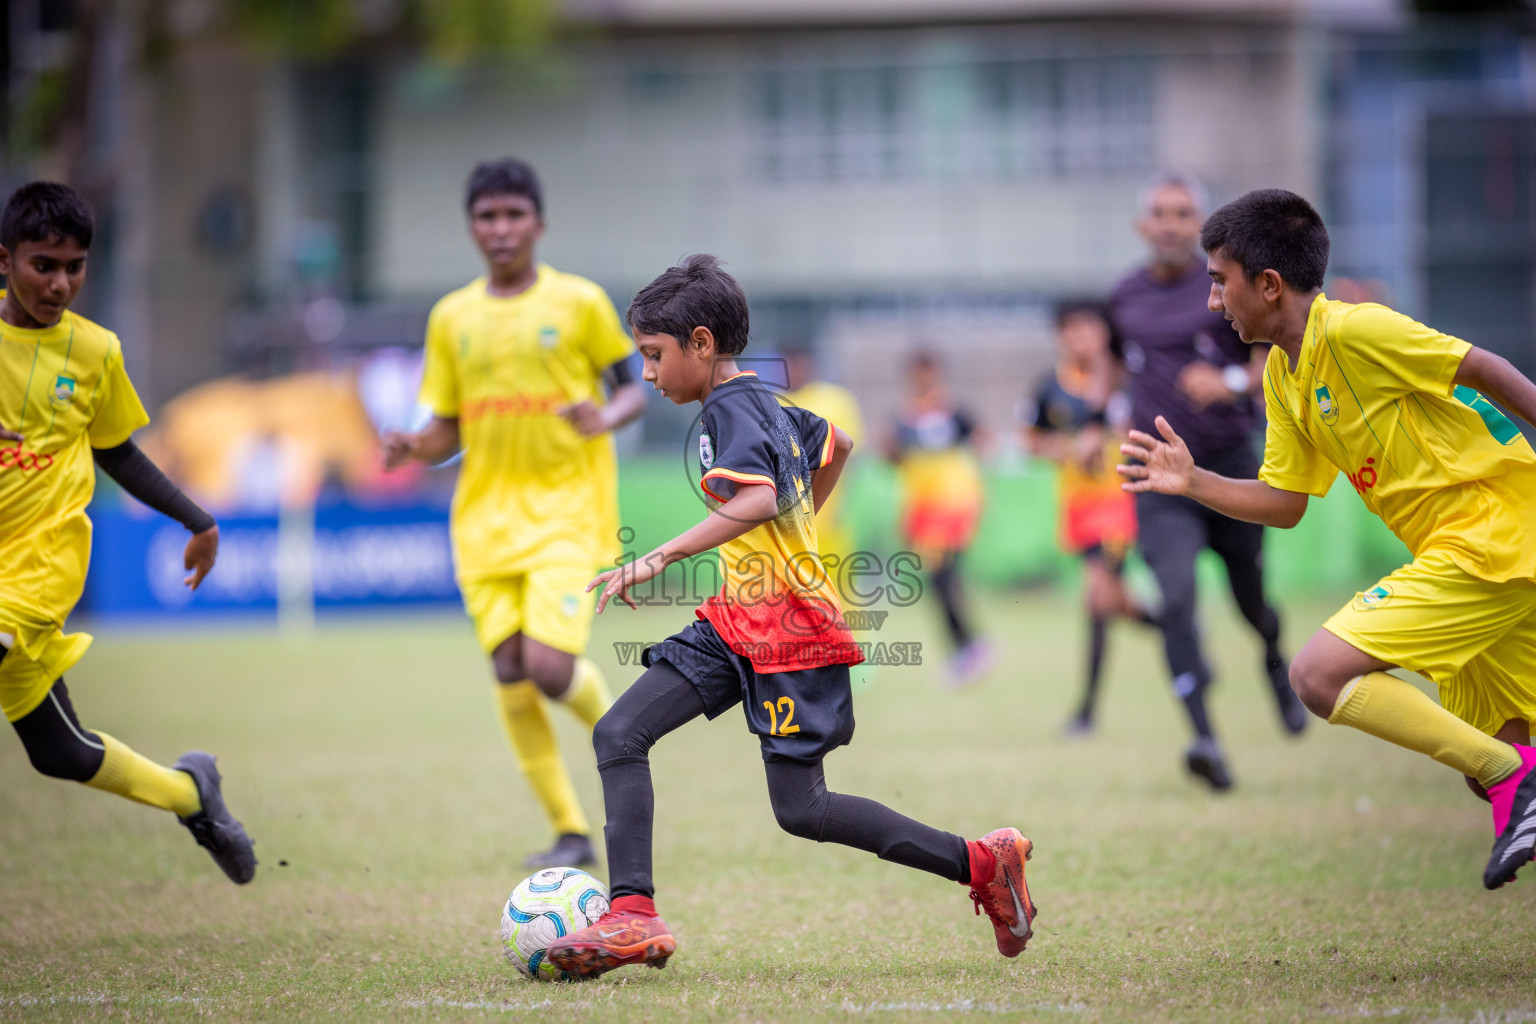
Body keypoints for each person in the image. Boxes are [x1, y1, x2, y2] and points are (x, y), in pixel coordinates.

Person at [544, 255, 1037, 979]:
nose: (648, 375)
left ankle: (981, 863)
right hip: (740, 618)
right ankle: (632, 915)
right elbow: (836, 446)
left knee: (802, 810)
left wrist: (654, 559)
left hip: (786, 628)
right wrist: (795, 536)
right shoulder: (769, 400)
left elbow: (759, 498)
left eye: (654, 355)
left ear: (702, 344)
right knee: (621, 731)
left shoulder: (723, 410)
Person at [1121, 188, 1536, 889]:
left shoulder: (1354, 330)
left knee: (1317, 675)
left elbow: (1483, 368)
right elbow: (1285, 503)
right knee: (1488, 758)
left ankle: (1518, 778)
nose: (1214, 301)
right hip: (1464, 552)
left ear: (1270, 284)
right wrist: (1193, 483)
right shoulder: (1284, 373)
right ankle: (1513, 774)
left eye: (1221, 282)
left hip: (1494, 535)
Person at [382, 158, 646, 869]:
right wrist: (414, 445)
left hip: (566, 511)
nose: (500, 230)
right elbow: (447, 428)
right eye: (487, 217)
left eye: (513, 215)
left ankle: (629, 734)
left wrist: (606, 415)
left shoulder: (580, 302)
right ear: (472, 227)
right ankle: (569, 830)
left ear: (539, 223)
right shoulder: (452, 318)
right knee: (509, 669)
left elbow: (633, 388)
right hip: (483, 521)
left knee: (550, 667)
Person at [0, 182, 255, 883]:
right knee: (60, 751)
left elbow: (116, 451)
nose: (59, 283)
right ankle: (191, 793)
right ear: (5, 260)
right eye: (42, 265)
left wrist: (196, 519)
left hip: (40, 564)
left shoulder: (95, 351)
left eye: (74, 266)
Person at [1110, 173, 1306, 791]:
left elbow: (1270, 348)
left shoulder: (1225, 286)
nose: (1170, 223)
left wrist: (1233, 384)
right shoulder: (1123, 297)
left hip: (1229, 467)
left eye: (1183, 212)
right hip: (1159, 477)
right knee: (1174, 599)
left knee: (1252, 603)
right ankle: (1204, 738)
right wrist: (1099, 421)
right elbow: (1118, 373)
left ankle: (1274, 661)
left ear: (1199, 224)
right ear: (1144, 225)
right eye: (1160, 212)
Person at [1022, 301, 1154, 734]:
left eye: (1089, 329)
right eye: (1071, 330)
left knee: (1097, 598)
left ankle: (1086, 712)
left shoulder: (1128, 382)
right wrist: (1060, 449)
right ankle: (1177, 629)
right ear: (1061, 336)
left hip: (1121, 504)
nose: (1081, 338)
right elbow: (1031, 441)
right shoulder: (1049, 388)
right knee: (1117, 602)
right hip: (1078, 508)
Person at [886, 352, 991, 686]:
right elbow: (893, 457)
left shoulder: (953, 408)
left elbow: (983, 438)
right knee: (938, 579)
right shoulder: (904, 415)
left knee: (943, 574)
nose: (923, 379)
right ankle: (968, 646)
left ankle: (969, 647)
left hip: (953, 502)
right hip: (922, 506)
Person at [782, 342, 866, 567]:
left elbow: (852, 456)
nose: (794, 371)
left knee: (837, 582)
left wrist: (842, 501)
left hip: (831, 514)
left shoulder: (836, 401)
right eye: (789, 365)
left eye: (798, 364)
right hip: (789, 520)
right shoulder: (774, 404)